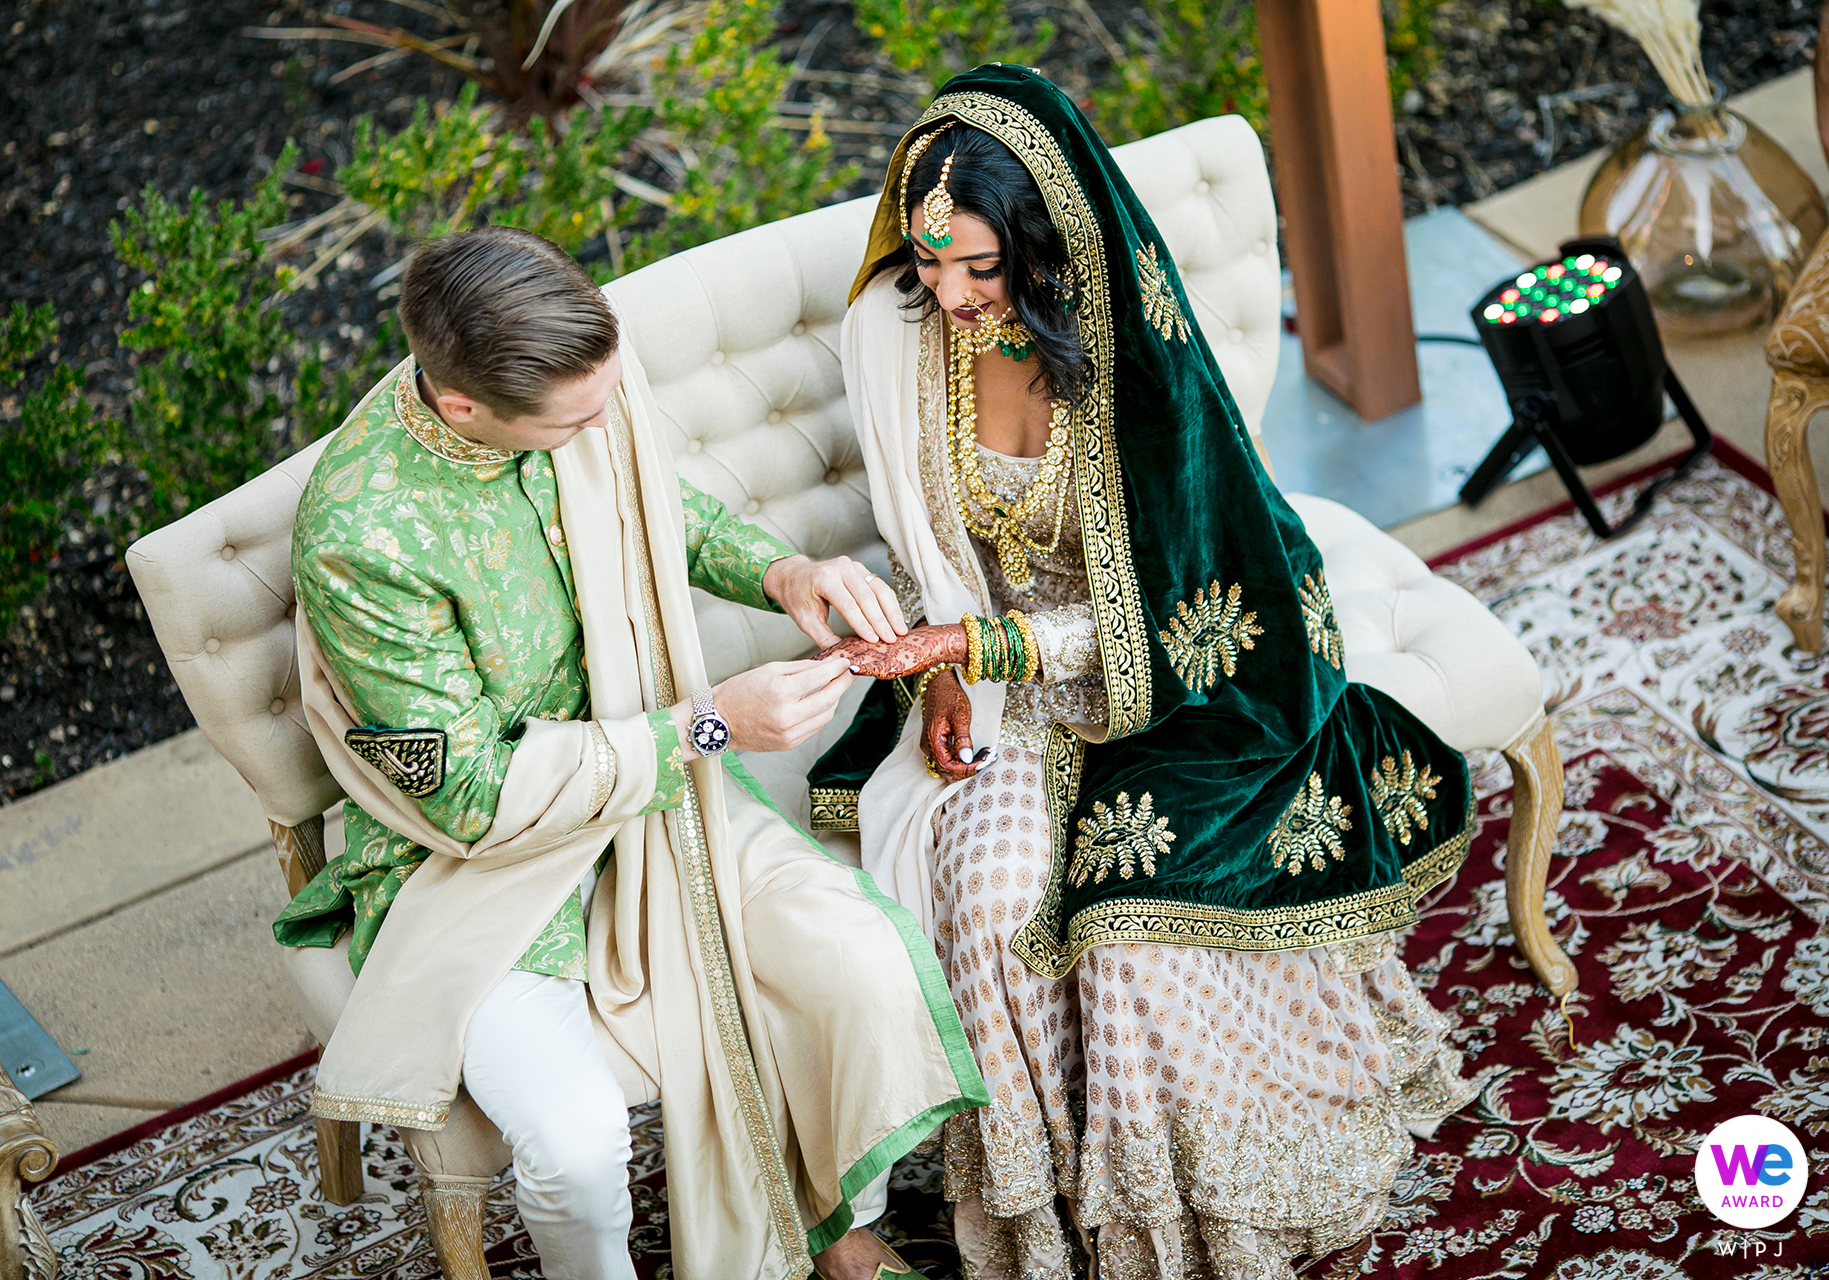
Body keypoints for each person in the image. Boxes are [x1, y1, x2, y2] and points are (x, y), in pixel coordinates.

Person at [809, 66, 1482, 1278]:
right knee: (993, 902)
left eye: (980, 267)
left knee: (1128, 929)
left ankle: (1185, 1220)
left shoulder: (1126, 359)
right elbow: (925, 553)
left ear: (1041, 245)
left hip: (1181, 683)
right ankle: (1044, 1221)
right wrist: (946, 672)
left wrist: (979, 644)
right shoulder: (893, 334)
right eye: (929, 264)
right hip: (995, 692)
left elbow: (1191, 610)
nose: (951, 297)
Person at [273, 226, 985, 1280]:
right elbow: (470, 796)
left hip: (662, 802)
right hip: (482, 873)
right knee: (572, 1144)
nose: (611, 423)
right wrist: (708, 725)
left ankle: (842, 1226)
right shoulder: (366, 536)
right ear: (463, 405)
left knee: (864, 963)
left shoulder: (571, 375)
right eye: (579, 421)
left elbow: (658, 507)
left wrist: (785, 573)